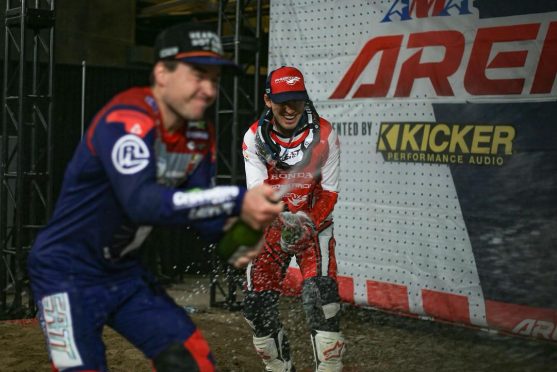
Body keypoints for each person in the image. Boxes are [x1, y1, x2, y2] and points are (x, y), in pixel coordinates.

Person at [27, 22, 283, 372]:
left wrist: (234, 234)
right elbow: (143, 203)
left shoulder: (198, 132)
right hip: (64, 274)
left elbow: (199, 210)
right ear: (162, 73)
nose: (209, 90)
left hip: (123, 273)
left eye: (215, 78)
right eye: (197, 75)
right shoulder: (127, 118)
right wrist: (239, 200)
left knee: (191, 361)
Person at [241, 66, 345, 372]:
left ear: (305, 99)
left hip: (315, 226)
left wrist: (306, 224)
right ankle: (280, 368)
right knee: (256, 309)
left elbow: (329, 191)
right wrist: (286, 219)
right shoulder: (252, 137)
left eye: (296, 100)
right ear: (268, 100)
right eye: (283, 100)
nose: (290, 108)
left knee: (323, 304)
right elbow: (260, 192)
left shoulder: (325, 134)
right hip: (271, 228)